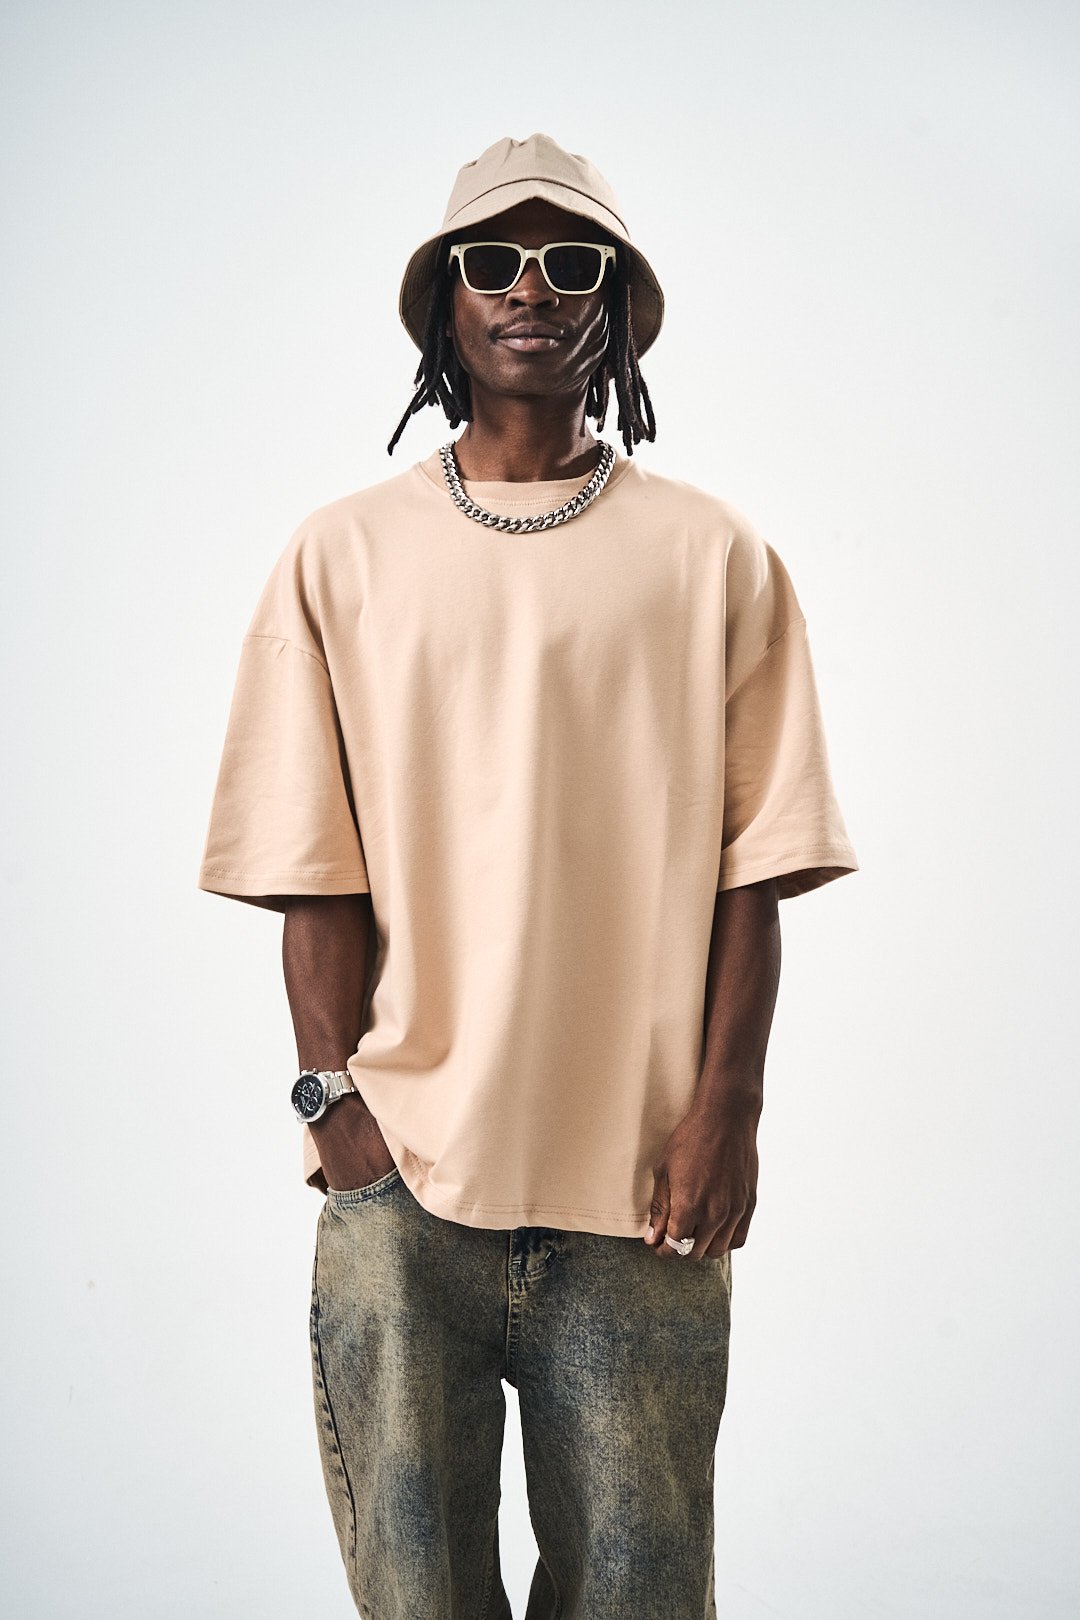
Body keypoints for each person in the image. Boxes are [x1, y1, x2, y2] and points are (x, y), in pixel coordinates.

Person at [197, 132, 859, 1620]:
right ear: (445, 302)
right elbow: (313, 865)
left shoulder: (714, 555)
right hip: (405, 1183)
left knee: (641, 1598)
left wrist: (729, 1111)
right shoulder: (340, 555)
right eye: (494, 260)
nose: (533, 288)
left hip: (645, 1189)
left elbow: (752, 872)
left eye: (574, 263)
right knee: (415, 1599)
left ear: (616, 304)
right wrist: (335, 1111)